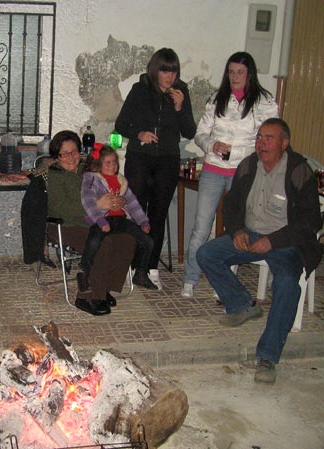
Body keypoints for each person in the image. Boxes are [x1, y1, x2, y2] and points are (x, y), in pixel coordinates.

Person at [197, 118, 322, 384]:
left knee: (288, 283)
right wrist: (237, 230)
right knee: (207, 254)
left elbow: (312, 221)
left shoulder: (299, 169)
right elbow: (231, 204)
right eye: (260, 137)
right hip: (250, 235)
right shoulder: (248, 165)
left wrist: (274, 241)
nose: (262, 143)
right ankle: (243, 304)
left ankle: (267, 355)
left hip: (286, 242)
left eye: (269, 138)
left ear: (284, 143)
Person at [181, 52, 279, 298]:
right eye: (231, 71)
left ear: (249, 75)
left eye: (240, 72)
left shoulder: (264, 102)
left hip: (244, 172)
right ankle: (190, 279)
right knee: (201, 227)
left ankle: (224, 281)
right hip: (214, 169)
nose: (235, 77)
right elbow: (200, 133)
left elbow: (270, 138)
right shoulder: (217, 98)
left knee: (237, 227)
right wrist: (211, 144)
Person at [21, 130, 137, 316]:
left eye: (74, 152)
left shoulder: (89, 169)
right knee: (103, 243)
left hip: (95, 221)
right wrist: (97, 204)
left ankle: (103, 288)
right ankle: (85, 297)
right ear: (57, 157)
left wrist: (119, 200)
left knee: (127, 239)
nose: (71, 157)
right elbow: (61, 208)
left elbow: (112, 184)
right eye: (64, 154)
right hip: (63, 225)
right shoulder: (53, 175)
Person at [115, 48, 196, 290]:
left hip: (167, 159)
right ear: (155, 69)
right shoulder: (140, 90)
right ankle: (131, 265)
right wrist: (138, 133)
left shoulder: (181, 92)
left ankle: (149, 268)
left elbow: (190, 132)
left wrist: (181, 108)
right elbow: (120, 125)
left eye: (173, 71)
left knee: (158, 215)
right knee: (137, 212)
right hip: (139, 157)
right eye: (165, 70)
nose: (169, 76)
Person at [78, 143, 156, 292]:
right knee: (94, 241)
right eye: (107, 162)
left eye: (114, 162)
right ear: (97, 164)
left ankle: (140, 273)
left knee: (148, 241)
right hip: (100, 219)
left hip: (120, 220)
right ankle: (84, 272)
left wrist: (143, 221)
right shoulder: (92, 179)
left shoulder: (121, 180)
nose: (112, 165)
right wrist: (100, 221)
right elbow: (87, 201)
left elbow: (132, 202)